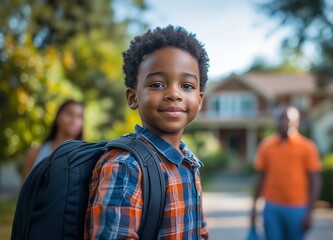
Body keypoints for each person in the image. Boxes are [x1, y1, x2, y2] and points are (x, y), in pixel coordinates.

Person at [84, 25, 210, 239]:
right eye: (158, 84)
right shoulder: (126, 165)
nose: (173, 93)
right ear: (133, 97)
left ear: (199, 100)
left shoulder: (189, 164)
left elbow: (200, 231)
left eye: (187, 86)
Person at [250, 105, 322, 240]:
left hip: (298, 208)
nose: (284, 123)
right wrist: (253, 208)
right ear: (276, 122)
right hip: (272, 207)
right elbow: (260, 178)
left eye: (288, 119)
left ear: (297, 122)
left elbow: (315, 180)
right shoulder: (266, 146)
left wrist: (311, 212)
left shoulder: (308, 147)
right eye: (281, 119)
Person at [22, 99, 84, 180]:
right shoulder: (35, 153)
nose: (74, 120)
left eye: (79, 116)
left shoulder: (86, 156)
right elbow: (24, 189)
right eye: (69, 113)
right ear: (58, 117)